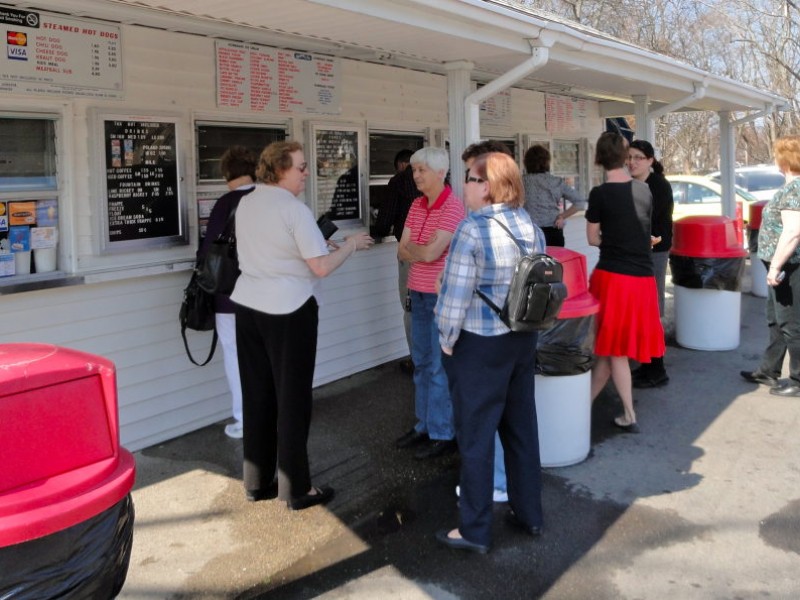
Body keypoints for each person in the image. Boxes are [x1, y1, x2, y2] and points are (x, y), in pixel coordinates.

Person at [231, 141, 374, 509]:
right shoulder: (294, 209)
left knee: (257, 395)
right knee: (292, 400)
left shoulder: (246, 201)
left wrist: (320, 242)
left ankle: (256, 480)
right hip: (289, 310)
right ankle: (296, 488)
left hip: (248, 306)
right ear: (280, 170)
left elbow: (274, 246)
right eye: (301, 167)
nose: (306, 173)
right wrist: (352, 245)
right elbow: (321, 267)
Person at [434, 152, 545, 554]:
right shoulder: (529, 224)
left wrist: (446, 340)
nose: (463, 184)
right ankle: (529, 513)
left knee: (476, 438)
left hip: (479, 345)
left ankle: (475, 529)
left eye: (469, 178)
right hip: (522, 339)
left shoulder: (472, 229)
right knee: (521, 430)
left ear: (487, 185)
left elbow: (454, 299)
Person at [585, 132, 665, 432]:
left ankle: (629, 413)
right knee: (609, 351)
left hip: (614, 279)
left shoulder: (600, 194)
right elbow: (643, 233)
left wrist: (612, 239)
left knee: (613, 351)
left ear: (599, 158)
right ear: (624, 157)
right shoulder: (644, 190)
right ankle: (583, 408)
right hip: (643, 279)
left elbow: (592, 238)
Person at [395, 147, 465, 460]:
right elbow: (402, 249)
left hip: (440, 296)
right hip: (417, 292)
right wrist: (418, 250)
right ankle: (423, 424)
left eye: (421, 170)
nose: (416, 175)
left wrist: (418, 250)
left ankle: (442, 431)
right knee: (421, 362)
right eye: (414, 170)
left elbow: (429, 254)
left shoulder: (452, 206)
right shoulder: (415, 204)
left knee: (438, 366)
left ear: (440, 172)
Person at [197, 146, 257, 439]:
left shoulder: (225, 203)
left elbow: (208, 252)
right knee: (267, 357)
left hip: (230, 298)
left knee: (237, 358)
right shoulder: (270, 200)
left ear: (226, 174)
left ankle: (245, 420)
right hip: (268, 297)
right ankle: (274, 415)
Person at [741, 135, 800, 395]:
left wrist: (776, 267)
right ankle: (768, 371)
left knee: (791, 324)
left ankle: (798, 381)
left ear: (785, 159)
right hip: (779, 266)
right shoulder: (790, 186)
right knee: (775, 319)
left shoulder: (795, 188)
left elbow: (793, 232)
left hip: (789, 267)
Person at [626, 140, 673, 388]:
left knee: (653, 309)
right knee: (643, 309)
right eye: (630, 157)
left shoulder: (658, 185)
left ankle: (657, 369)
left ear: (650, 161)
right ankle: (646, 364)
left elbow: (650, 220)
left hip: (654, 252)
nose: (632, 162)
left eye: (638, 158)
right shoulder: (634, 184)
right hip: (638, 252)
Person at [373, 149, 420, 375]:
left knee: (410, 307)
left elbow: (384, 221)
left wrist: (376, 232)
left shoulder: (399, 182)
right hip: (439, 252)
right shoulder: (443, 183)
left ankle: (417, 361)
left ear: (402, 164)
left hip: (409, 253)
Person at [522, 145, 586, 247]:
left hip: (529, 232)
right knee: (555, 262)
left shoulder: (520, 182)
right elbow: (580, 203)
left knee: (530, 262)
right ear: (547, 162)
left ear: (526, 162)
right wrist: (562, 216)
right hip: (553, 231)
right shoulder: (556, 182)